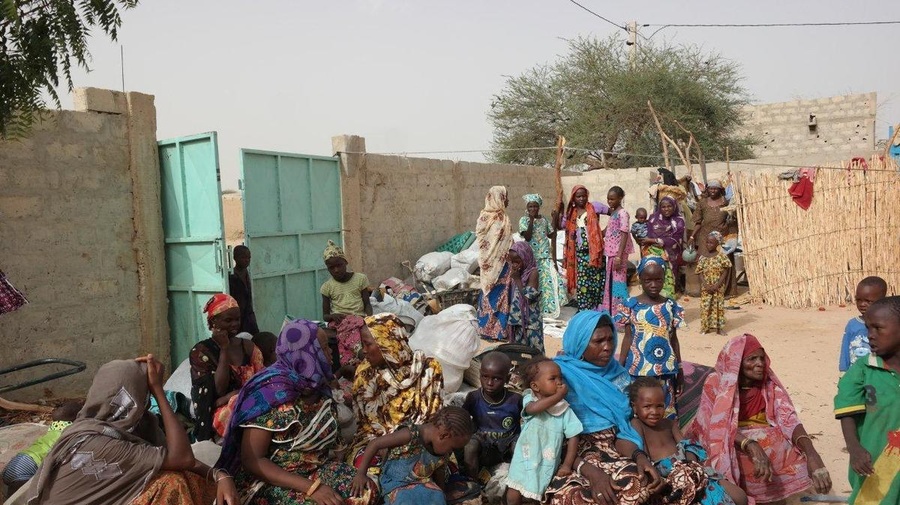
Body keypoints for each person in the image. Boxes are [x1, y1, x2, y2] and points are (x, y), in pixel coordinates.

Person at [27, 357, 238, 505]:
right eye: (144, 394)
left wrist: (218, 475)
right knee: (171, 484)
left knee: (187, 479)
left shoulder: (97, 428)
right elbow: (182, 458)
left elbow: (180, 461)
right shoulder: (102, 444)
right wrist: (158, 391)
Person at [215, 319, 378, 505]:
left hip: (315, 469)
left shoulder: (317, 387)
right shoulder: (271, 393)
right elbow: (252, 460)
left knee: (366, 492)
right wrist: (311, 488)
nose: (331, 352)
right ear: (306, 353)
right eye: (324, 347)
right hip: (273, 479)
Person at [688, 334, 832, 504]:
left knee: (793, 455)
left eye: (762, 358)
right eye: (752, 359)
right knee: (735, 458)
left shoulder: (768, 384)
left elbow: (788, 419)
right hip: (730, 442)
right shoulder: (717, 383)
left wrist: (812, 453)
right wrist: (750, 444)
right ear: (737, 362)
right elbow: (715, 429)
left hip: (764, 445)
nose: (760, 364)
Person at [544, 310, 664, 505]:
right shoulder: (557, 377)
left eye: (610, 339)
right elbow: (549, 437)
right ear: (580, 342)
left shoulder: (617, 374)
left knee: (641, 484)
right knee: (570, 498)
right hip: (568, 457)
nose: (608, 347)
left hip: (614, 451)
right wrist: (591, 472)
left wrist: (640, 457)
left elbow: (623, 429)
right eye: (598, 341)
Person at [348, 313, 445, 482]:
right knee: (368, 480)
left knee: (436, 470)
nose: (363, 350)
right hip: (375, 443)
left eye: (368, 344)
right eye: (362, 344)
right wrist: (384, 443)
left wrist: (399, 443)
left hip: (418, 440)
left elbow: (431, 419)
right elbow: (366, 425)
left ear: (387, 343)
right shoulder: (365, 373)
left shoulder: (428, 370)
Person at [627, 377, 747, 505]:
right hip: (670, 479)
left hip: (691, 470)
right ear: (634, 407)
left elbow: (688, 445)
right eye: (647, 406)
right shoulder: (637, 425)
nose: (654, 412)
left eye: (659, 406)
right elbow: (644, 457)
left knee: (740, 496)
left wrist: (691, 465)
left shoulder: (669, 424)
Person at [834, 296, 900, 504]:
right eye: (868, 329)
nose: (870, 336)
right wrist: (854, 448)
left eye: (878, 329)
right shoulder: (863, 369)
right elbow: (847, 412)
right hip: (876, 462)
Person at [351, 406, 475, 505]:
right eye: (452, 448)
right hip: (396, 485)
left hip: (423, 484)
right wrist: (361, 474)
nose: (450, 452)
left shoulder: (442, 451)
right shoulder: (409, 435)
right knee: (407, 500)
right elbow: (375, 444)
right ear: (443, 436)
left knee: (438, 495)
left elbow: (439, 470)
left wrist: (441, 493)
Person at [616, 257, 685, 420]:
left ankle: (665, 439)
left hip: (664, 369)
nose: (653, 285)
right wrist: (620, 366)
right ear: (640, 279)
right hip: (637, 368)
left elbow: (673, 339)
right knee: (639, 408)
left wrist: (680, 369)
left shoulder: (671, 306)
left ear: (664, 279)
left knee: (663, 407)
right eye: (648, 280)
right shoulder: (630, 304)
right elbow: (628, 337)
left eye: (658, 280)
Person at [506, 357, 583, 505]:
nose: (559, 382)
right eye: (552, 379)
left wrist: (567, 464)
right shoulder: (530, 398)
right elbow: (532, 409)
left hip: (546, 461)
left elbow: (574, 436)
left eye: (560, 378)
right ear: (535, 386)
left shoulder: (564, 410)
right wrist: (558, 395)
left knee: (535, 495)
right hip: (524, 457)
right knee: (513, 493)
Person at [190, 293, 265, 441]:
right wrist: (224, 349)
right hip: (221, 413)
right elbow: (218, 390)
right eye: (228, 320)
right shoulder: (201, 352)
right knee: (234, 406)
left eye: (237, 319)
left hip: (254, 403)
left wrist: (235, 394)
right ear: (213, 323)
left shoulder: (249, 347)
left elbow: (262, 381)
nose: (234, 324)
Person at [462, 352, 523, 479]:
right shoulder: (474, 398)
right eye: (485, 377)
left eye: (496, 378)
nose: (489, 383)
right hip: (484, 446)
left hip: (508, 445)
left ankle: (518, 481)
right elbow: (463, 419)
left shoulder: (515, 400)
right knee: (470, 445)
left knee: (520, 445)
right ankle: (472, 482)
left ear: (507, 379)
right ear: (479, 375)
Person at [2, 400, 83, 495]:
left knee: (17, 495)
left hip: (23, 463)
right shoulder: (59, 425)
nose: (57, 405)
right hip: (29, 463)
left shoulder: (70, 426)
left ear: (75, 416)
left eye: (62, 406)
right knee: (24, 496)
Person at [322, 240, 373, 371]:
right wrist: (333, 315)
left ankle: (350, 365)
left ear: (346, 262)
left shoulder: (360, 279)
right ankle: (358, 351)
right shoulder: (327, 287)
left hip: (358, 319)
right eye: (331, 268)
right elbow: (325, 316)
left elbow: (367, 303)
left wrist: (370, 319)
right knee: (348, 323)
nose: (336, 270)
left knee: (350, 333)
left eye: (339, 265)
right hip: (339, 322)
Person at [560, 185, 608, 311]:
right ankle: (584, 310)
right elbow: (561, 225)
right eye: (578, 196)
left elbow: (613, 214)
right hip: (580, 254)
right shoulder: (571, 213)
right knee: (582, 283)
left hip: (595, 254)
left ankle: (596, 310)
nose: (581, 198)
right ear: (573, 198)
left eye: (584, 195)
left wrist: (603, 232)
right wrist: (557, 214)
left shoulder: (595, 207)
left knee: (596, 282)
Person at [519, 193, 566, 318]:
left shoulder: (544, 220)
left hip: (545, 257)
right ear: (527, 208)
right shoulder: (524, 220)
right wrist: (531, 221)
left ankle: (549, 310)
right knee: (534, 284)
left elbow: (551, 234)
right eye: (530, 207)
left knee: (549, 282)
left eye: (535, 206)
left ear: (539, 207)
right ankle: (534, 310)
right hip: (532, 258)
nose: (533, 209)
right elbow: (527, 237)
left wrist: (555, 219)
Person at [476, 186, 514, 340]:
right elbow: (483, 240)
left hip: (503, 264)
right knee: (490, 294)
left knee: (502, 297)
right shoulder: (488, 217)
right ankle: (487, 330)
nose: (508, 200)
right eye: (506, 197)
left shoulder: (502, 217)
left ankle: (499, 331)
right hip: (491, 264)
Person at [690, 180, 738, 295]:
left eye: (715, 188)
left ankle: (726, 291)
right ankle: (707, 289)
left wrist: (731, 236)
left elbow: (732, 219)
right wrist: (692, 237)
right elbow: (698, 222)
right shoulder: (702, 203)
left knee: (724, 263)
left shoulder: (726, 203)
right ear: (707, 189)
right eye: (711, 188)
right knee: (705, 263)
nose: (713, 191)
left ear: (720, 190)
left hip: (723, 237)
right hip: (705, 237)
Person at [839, 276, 887, 372]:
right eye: (858, 300)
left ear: (882, 300)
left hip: (879, 375)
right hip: (855, 375)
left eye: (868, 301)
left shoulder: (888, 325)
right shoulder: (852, 325)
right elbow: (845, 351)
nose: (862, 304)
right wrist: (843, 372)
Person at [639, 196, 684, 299]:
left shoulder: (678, 221)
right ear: (660, 207)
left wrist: (655, 241)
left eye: (669, 206)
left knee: (668, 279)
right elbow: (648, 235)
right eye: (663, 207)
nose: (666, 209)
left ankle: (667, 301)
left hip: (669, 255)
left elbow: (676, 240)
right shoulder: (653, 218)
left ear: (674, 207)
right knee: (653, 276)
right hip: (653, 253)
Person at [603, 186, 634, 318]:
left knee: (619, 284)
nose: (610, 201)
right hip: (611, 254)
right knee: (611, 284)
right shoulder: (613, 213)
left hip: (618, 255)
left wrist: (619, 257)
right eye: (608, 199)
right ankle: (611, 313)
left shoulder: (623, 213)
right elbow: (607, 230)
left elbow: (624, 233)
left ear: (620, 198)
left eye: (612, 199)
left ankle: (621, 315)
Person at [508, 241, 544, 351]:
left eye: (517, 261)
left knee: (533, 351)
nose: (514, 265)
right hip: (518, 320)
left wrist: (517, 279)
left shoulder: (533, 273)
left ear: (525, 258)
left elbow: (528, 297)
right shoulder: (518, 272)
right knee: (519, 352)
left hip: (530, 322)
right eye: (512, 262)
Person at [696, 231, 732, 335]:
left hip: (718, 287)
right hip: (705, 287)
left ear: (717, 244)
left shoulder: (722, 256)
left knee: (718, 306)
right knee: (705, 306)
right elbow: (699, 272)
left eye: (711, 243)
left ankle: (719, 328)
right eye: (707, 242)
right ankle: (705, 327)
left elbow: (726, 270)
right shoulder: (703, 258)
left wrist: (718, 284)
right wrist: (705, 285)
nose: (708, 245)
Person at [229, 244, 259, 335]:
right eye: (243, 257)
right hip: (238, 315)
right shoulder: (232, 277)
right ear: (235, 258)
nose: (247, 260)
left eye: (249, 258)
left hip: (249, 315)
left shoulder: (247, 274)